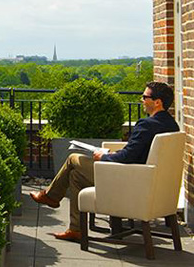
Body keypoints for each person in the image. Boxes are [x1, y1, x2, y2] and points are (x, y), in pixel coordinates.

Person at [29, 81, 180, 241]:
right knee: (76, 177)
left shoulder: (146, 124)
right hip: (145, 181)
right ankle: (75, 230)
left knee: (73, 158)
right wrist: (114, 153)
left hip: (127, 179)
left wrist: (104, 156)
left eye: (145, 97)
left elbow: (128, 157)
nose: (141, 100)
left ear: (157, 102)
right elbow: (137, 153)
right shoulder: (172, 125)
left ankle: (51, 196)